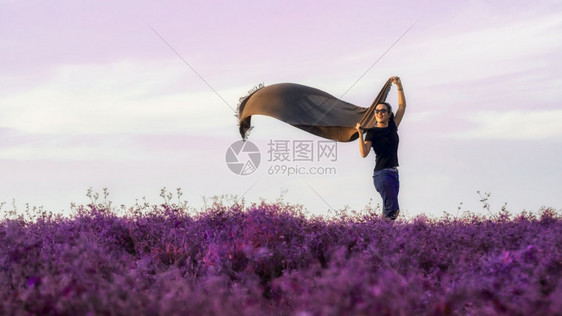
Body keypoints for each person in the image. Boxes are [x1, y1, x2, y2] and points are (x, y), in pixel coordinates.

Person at [356, 76, 406, 220]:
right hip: (381, 175)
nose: (379, 113)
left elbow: (402, 107)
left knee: (387, 212)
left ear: (389, 114)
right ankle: (380, 235)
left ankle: (379, 237)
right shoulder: (372, 132)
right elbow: (364, 153)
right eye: (377, 111)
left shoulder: (392, 127)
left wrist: (399, 86)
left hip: (394, 174)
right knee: (393, 210)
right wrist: (360, 134)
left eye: (383, 111)